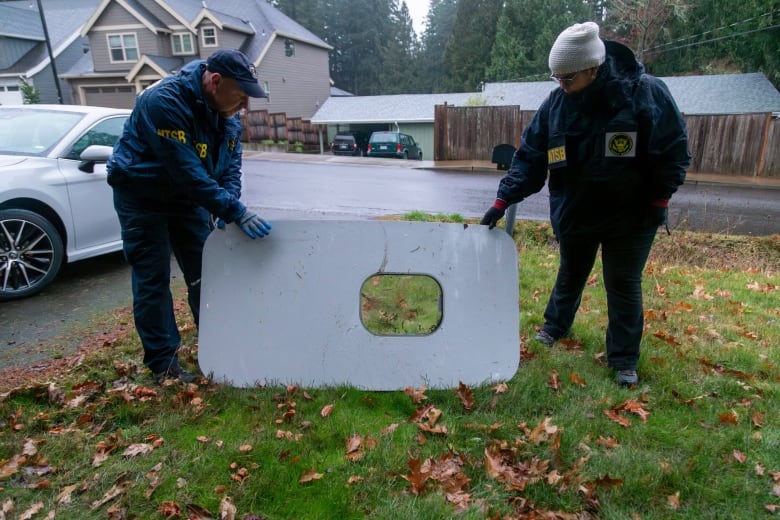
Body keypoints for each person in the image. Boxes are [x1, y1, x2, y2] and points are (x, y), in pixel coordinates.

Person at [481, 22, 690, 387]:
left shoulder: (645, 94)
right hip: (576, 211)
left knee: (622, 283)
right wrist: (504, 199)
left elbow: (673, 151)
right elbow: (530, 156)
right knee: (570, 273)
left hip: (632, 215)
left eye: (568, 77)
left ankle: (624, 360)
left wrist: (659, 198)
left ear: (593, 68)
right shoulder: (556, 105)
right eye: (556, 77)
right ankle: (554, 326)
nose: (561, 85)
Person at [107, 49, 272, 384]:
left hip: (188, 198)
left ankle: (218, 346)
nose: (244, 106)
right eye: (240, 95)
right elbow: (187, 171)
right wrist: (233, 210)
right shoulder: (163, 101)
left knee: (206, 274)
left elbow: (230, 168)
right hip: (142, 194)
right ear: (215, 81)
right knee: (153, 279)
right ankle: (163, 364)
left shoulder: (227, 115)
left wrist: (230, 205)